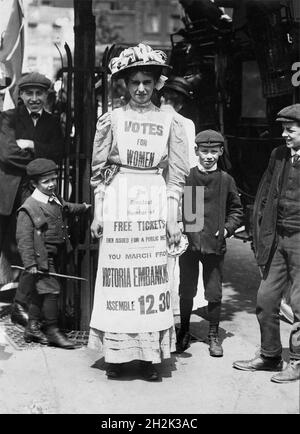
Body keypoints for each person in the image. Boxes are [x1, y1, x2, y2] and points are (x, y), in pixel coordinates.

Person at [88, 43, 189, 381]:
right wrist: (98, 212)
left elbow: (176, 176)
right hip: (120, 198)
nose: (142, 89)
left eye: (148, 82)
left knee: (151, 278)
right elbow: (99, 170)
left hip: (154, 198)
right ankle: (116, 357)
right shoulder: (112, 119)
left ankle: (149, 358)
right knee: (120, 280)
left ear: (157, 83)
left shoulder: (171, 121)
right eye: (135, 83)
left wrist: (174, 218)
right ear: (125, 86)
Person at [233, 104, 300, 383]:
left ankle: (296, 361)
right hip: (278, 238)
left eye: (291, 130)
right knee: (266, 298)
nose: (285, 135)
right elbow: (265, 194)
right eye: (283, 129)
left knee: (299, 303)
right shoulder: (279, 156)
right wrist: (259, 229)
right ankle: (271, 355)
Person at [0, 72, 64, 327]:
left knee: (36, 247)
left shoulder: (52, 122)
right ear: (21, 95)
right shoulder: (7, 118)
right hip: (7, 194)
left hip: (35, 196)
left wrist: (32, 146)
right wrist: (38, 162)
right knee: (5, 247)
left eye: (40, 94)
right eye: (30, 93)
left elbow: (58, 152)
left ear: (46, 96)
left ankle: (21, 303)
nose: (35, 99)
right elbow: (6, 154)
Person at [177, 130, 243, 356]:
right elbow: (183, 210)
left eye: (214, 151)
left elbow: (237, 210)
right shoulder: (188, 177)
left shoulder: (226, 180)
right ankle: (183, 331)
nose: (209, 156)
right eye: (204, 151)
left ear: (221, 152)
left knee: (213, 291)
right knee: (186, 289)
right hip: (190, 243)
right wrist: (179, 225)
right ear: (196, 151)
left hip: (215, 245)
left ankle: (213, 335)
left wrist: (226, 228)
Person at [16, 158, 90, 348]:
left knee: (39, 293)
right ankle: (52, 330)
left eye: (54, 179)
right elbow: (23, 240)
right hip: (42, 258)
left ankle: (32, 327)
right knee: (51, 290)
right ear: (34, 183)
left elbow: (66, 207)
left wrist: (84, 207)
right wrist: (30, 264)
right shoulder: (29, 207)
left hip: (58, 253)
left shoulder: (54, 198)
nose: (52, 184)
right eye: (46, 182)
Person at [159, 76, 205, 316]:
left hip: (156, 194)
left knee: (159, 255)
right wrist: (195, 216)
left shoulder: (153, 118)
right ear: (182, 103)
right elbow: (191, 166)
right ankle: (180, 311)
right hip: (184, 195)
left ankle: (160, 310)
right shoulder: (186, 123)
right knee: (183, 254)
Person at [160, 76, 198, 168]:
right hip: (176, 177)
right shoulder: (187, 124)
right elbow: (191, 161)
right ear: (181, 105)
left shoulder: (147, 118)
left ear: (162, 98)